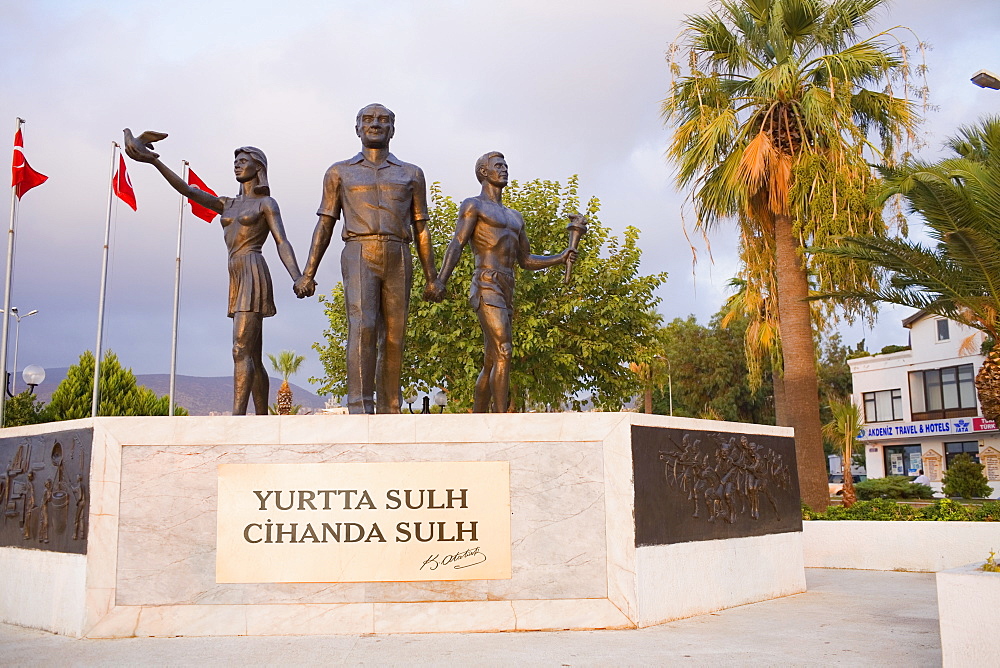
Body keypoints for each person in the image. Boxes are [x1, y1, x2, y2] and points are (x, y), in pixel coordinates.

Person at [124, 134, 305, 415]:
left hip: (253, 270)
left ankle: (237, 418)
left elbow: (282, 242)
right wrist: (153, 162)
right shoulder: (227, 204)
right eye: (234, 161)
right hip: (235, 274)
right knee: (252, 354)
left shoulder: (267, 203)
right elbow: (186, 189)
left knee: (239, 349)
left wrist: (297, 276)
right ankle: (261, 418)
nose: (236, 165)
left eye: (243, 161)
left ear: (258, 167)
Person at [294, 104, 437, 414]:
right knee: (363, 326)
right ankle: (360, 404)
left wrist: (432, 277)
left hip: (399, 252)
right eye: (368, 120)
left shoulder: (411, 173)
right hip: (359, 250)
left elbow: (421, 227)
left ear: (393, 130)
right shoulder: (339, 172)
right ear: (357, 128)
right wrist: (308, 272)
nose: (376, 124)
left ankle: (390, 405)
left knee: (396, 332)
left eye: (384, 120)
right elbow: (325, 223)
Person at [425, 151, 576, 412]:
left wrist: (560, 258)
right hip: (486, 282)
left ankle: (479, 415)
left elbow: (526, 260)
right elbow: (457, 244)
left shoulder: (516, 217)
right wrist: (440, 280)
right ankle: (500, 420)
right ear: (484, 172)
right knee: (505, 350)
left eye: (506, 165)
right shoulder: (474, 205)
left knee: (491, 360)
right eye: (498, 166)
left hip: (508, 286)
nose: (504, 169)